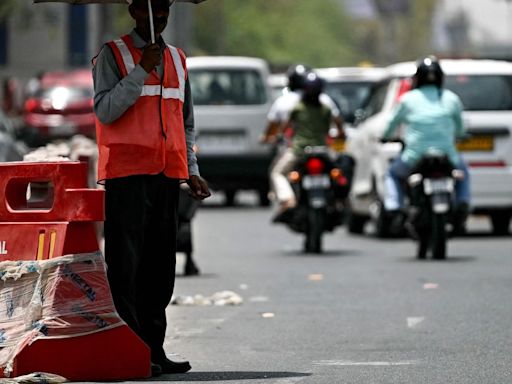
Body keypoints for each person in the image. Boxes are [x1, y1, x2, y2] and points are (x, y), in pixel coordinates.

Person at [92, 0, 210, 376]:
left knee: (161, 268)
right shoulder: (113, 55)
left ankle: (155, 349)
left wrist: (191, 169)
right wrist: (141, 71)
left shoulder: (177, 59)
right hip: (126, 176)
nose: (159, 14)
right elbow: (106, 110)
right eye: (151, 8)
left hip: (166, 176)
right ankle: (132, 350)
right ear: (134, 12)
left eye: (164, 7)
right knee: (126, 267)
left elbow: (185, 121)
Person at [382, 55, 470, 233]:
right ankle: (463, 202)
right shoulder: (451, 98)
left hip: (414, 156)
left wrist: (385, 137)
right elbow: (461, 127)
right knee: (464, 172)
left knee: (392, 174)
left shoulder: (408, 99)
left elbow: (392, 123)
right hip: (447, 155)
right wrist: (460, 135)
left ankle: (394, 206)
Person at [261, 66, 343, 215]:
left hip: (299, 150)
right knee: (339, 172)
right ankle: (338, 201)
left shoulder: (295, 107)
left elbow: (282, 129)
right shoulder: (326, 106)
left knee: (277, 172)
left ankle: (287, 199)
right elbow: (336, 126)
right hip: (323, 150)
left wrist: (273, 137)